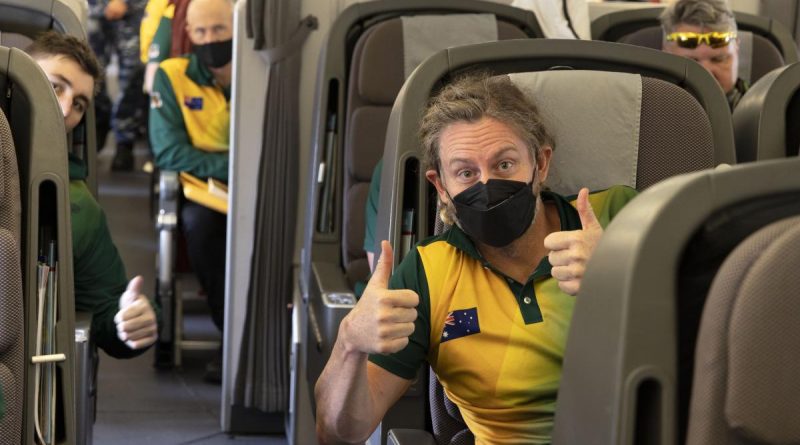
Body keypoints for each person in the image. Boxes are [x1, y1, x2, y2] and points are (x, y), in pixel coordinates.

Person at [315, 72, 638, 444]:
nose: (487, 186)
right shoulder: (428, 272)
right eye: (466, 173)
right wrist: (350, 342)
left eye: (504, 165)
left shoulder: (619, 215)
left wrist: (623, 274)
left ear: (541, 163)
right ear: (441, 186)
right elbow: (339, 433)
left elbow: (712, 329)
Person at [28, 31, 159, 358]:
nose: (65, 110)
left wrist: (130, 317)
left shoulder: (76, 205)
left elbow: (103, 310)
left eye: (79, 104)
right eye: (55, 86)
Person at [148, 0, 232, 382]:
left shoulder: (266, 75)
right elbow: (168, 150)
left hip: (263, 188)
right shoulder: (173, 75)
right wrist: (233, 167)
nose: (209, 39)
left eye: (219, 29)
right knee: (200, 226)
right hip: (204, 193)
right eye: (200, 32)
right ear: (188, 34)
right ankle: (230, 335)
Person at [88, 0, 149, 171]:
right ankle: (100, 117)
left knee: (133, 73)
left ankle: (124, 140)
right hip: (94, 8)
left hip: (133, 11)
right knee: (88, 69)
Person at [661, 0, 747, 110]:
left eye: (718, 59)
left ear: (737, 50)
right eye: (691, 62)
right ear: (666, 56)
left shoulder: (762, 113)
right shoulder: (645, 113)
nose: (707, 73)